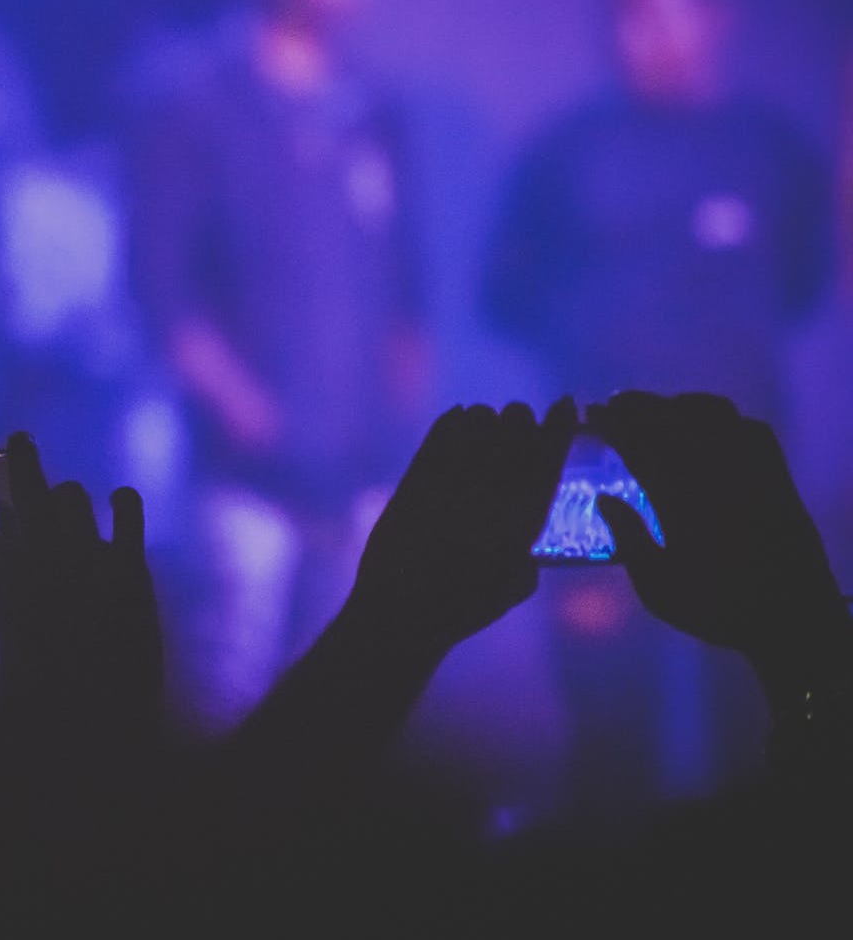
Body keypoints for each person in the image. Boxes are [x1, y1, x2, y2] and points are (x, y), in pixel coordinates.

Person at [482, 0, 833, 815]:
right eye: (633, 20)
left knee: (753, 707)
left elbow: (803, 281)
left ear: (718, 23)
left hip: (741, 476)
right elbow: (503, 291)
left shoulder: (770, 152)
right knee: (604, 713)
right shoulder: (566, 153)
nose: (652, 38)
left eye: (672, 17)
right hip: (588, 473)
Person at [127, 0, 429, 733]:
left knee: (353, 704)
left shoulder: (372, 109)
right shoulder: (198, 107)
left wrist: (397, 425)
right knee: (231, 697)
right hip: (248, 481)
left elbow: (407, 286)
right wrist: (241, 406)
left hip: (361, 472)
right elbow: (161, 288)